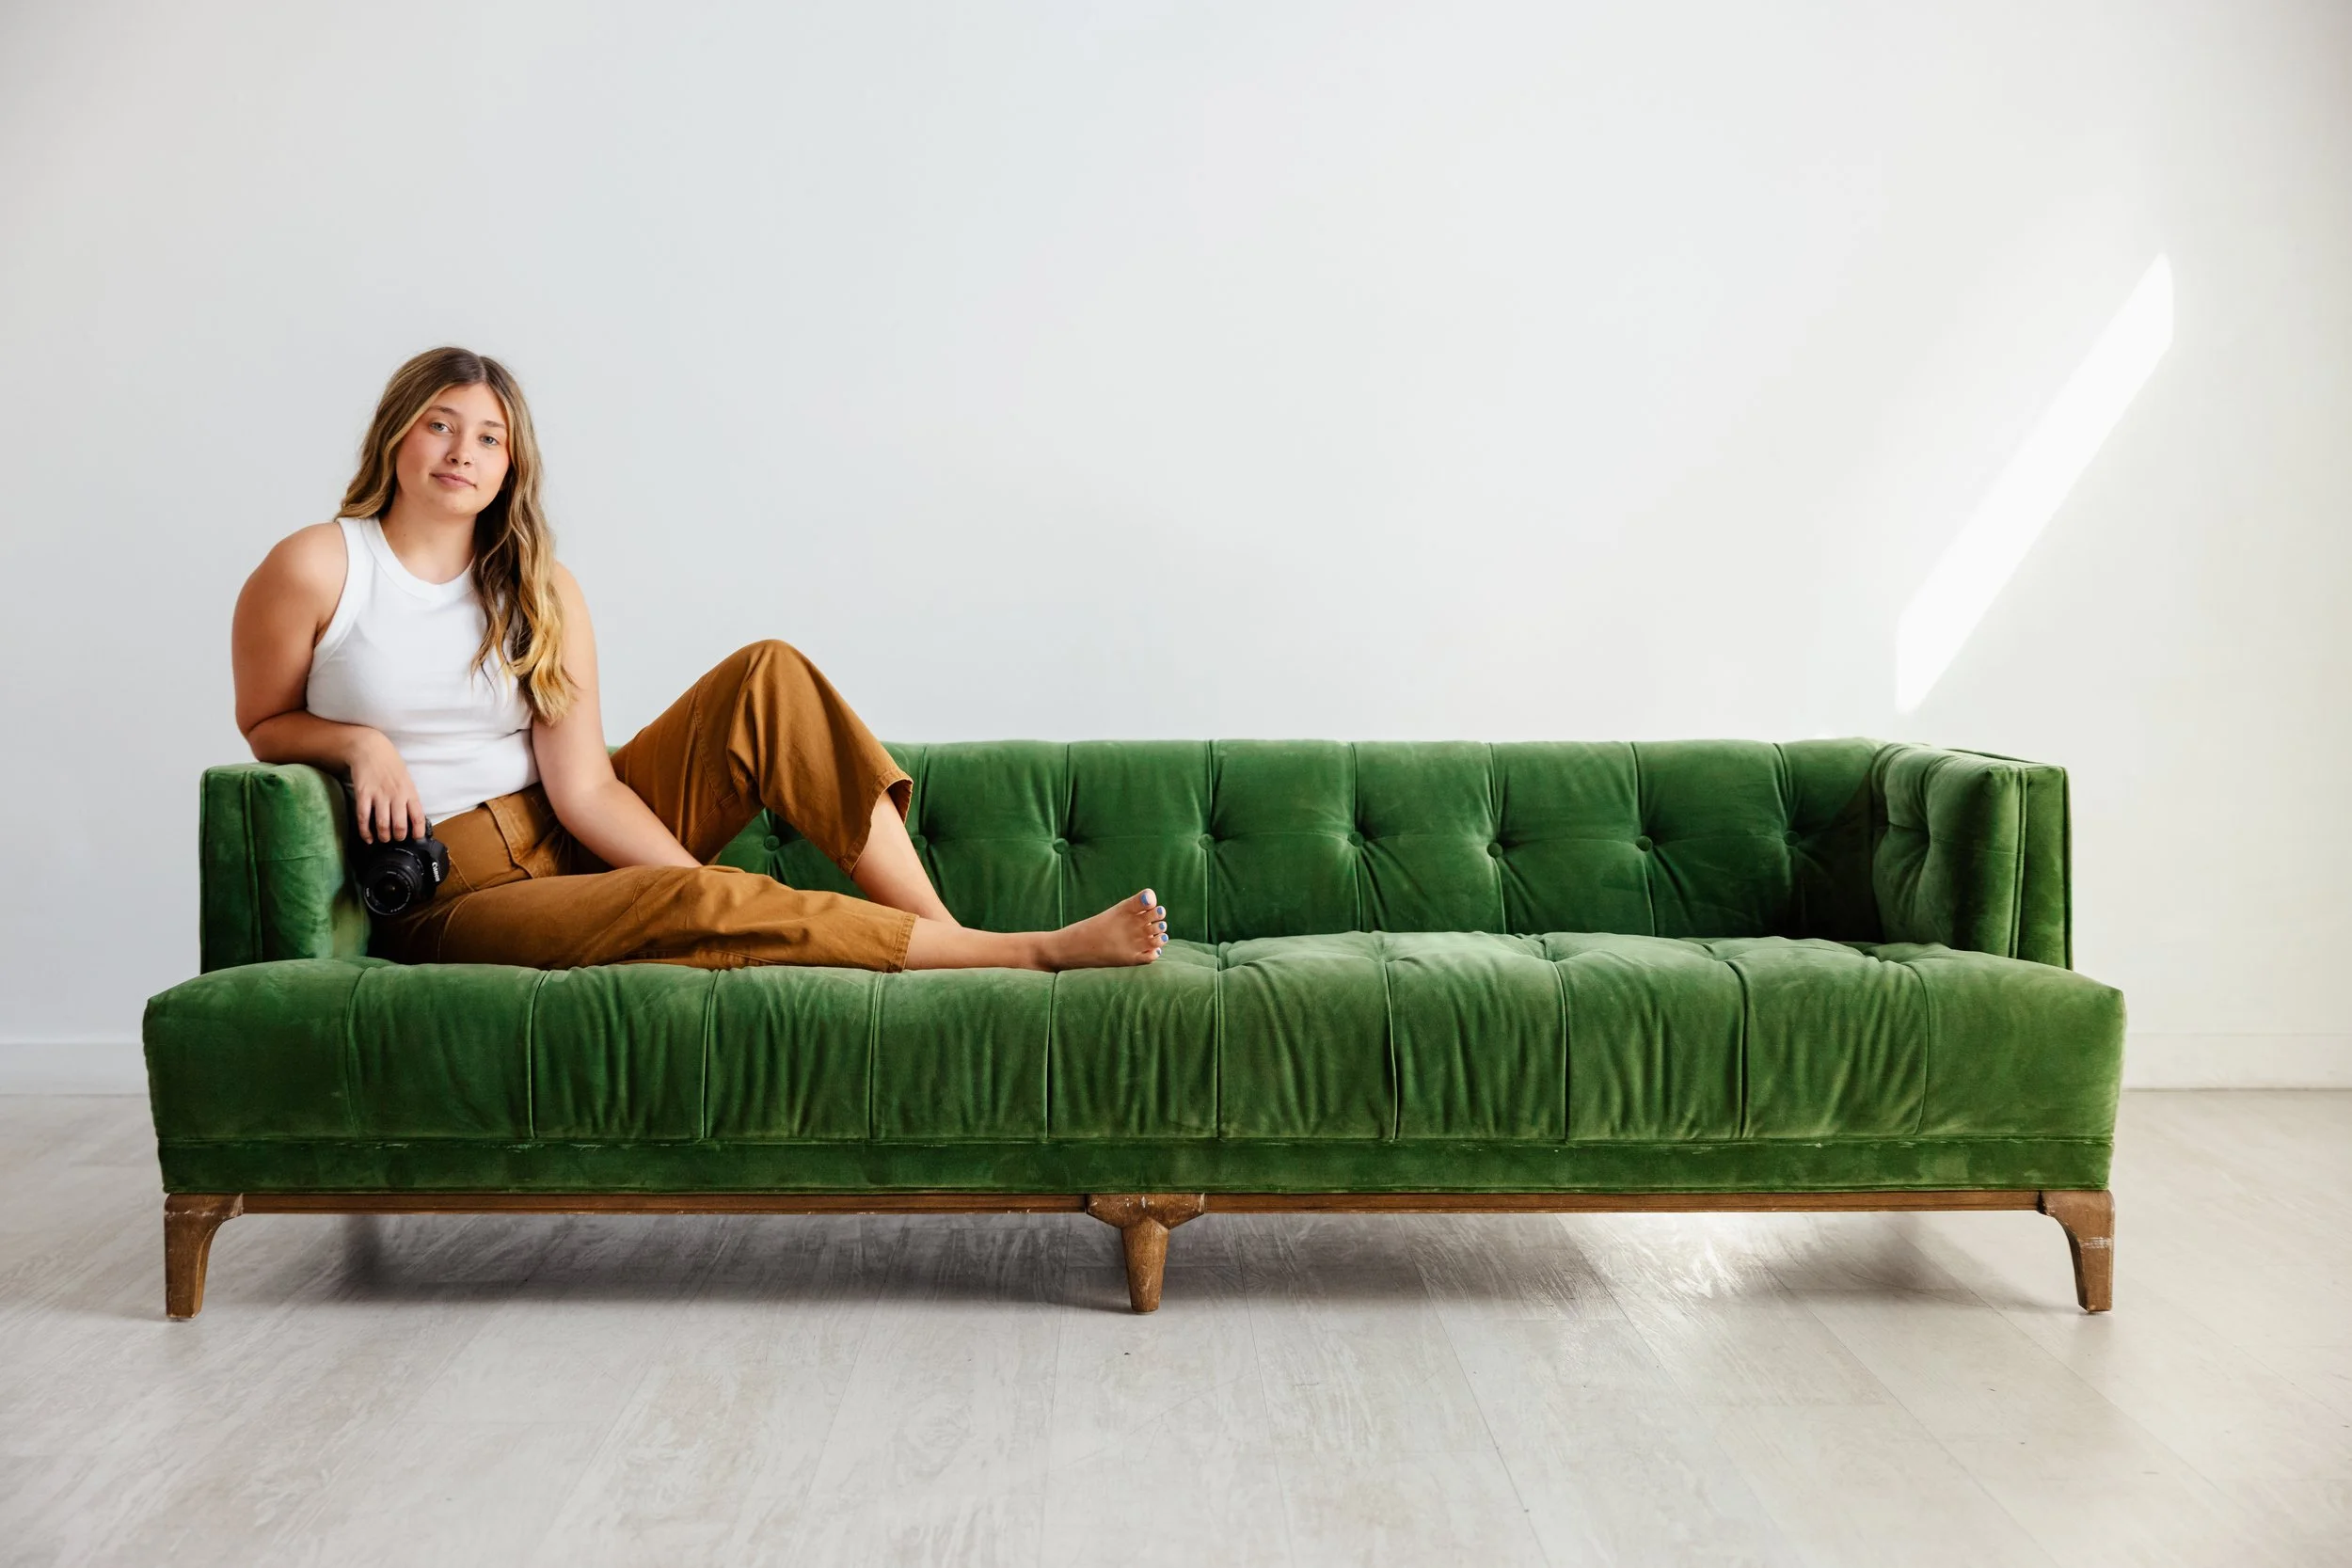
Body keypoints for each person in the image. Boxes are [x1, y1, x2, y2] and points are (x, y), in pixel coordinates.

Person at [230, 345, 1168, 973]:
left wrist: (689, 880)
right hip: (453, 891)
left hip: (562, 830)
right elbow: (263, 721)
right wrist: (360, 743)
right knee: (702, 905)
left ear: (511, 465)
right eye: (440, 424)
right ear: (397, 430)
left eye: (489, 437)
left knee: (768, 674)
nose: (461, 452)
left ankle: (948, 935)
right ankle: (1021, 954)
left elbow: (585, 790)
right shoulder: (318, 565)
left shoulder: (538, 586)